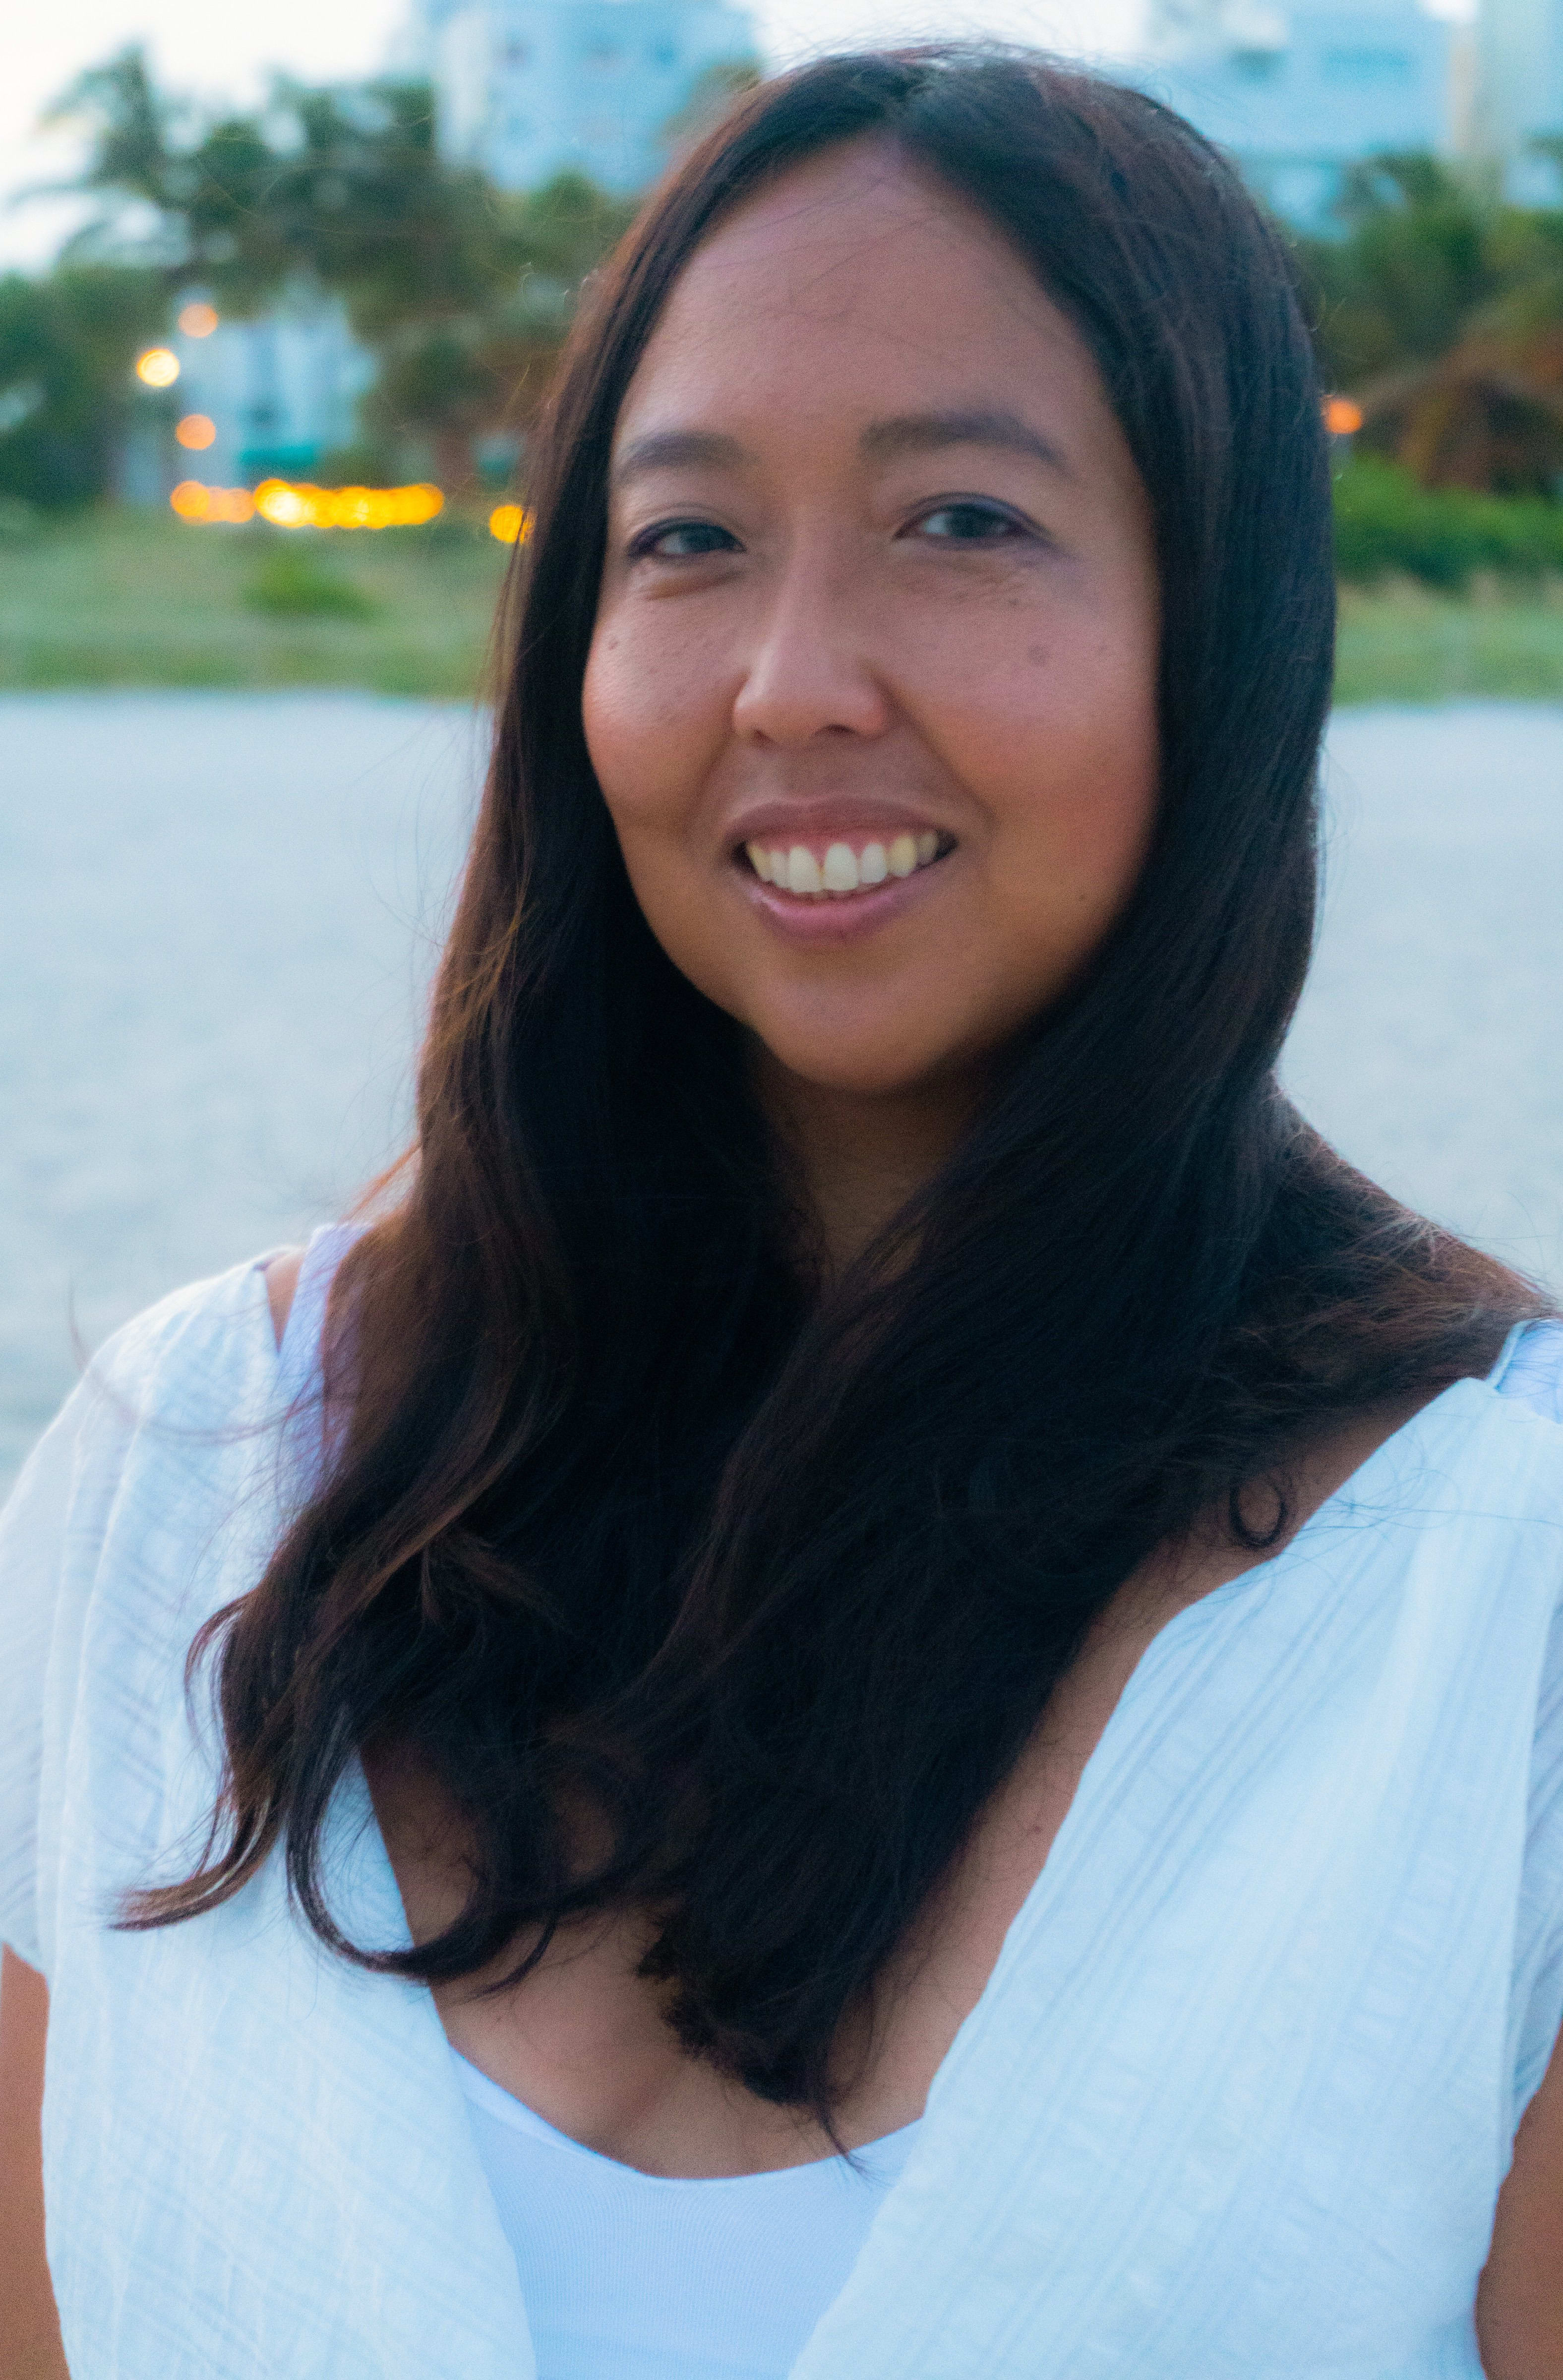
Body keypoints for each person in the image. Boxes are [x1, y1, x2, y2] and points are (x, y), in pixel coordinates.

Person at [2, 46, 1562, 2380]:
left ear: (1221, 625)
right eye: (687, 540)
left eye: (961, 521)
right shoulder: (195, 1474)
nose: (790, 681)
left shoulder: (1494, 1593)